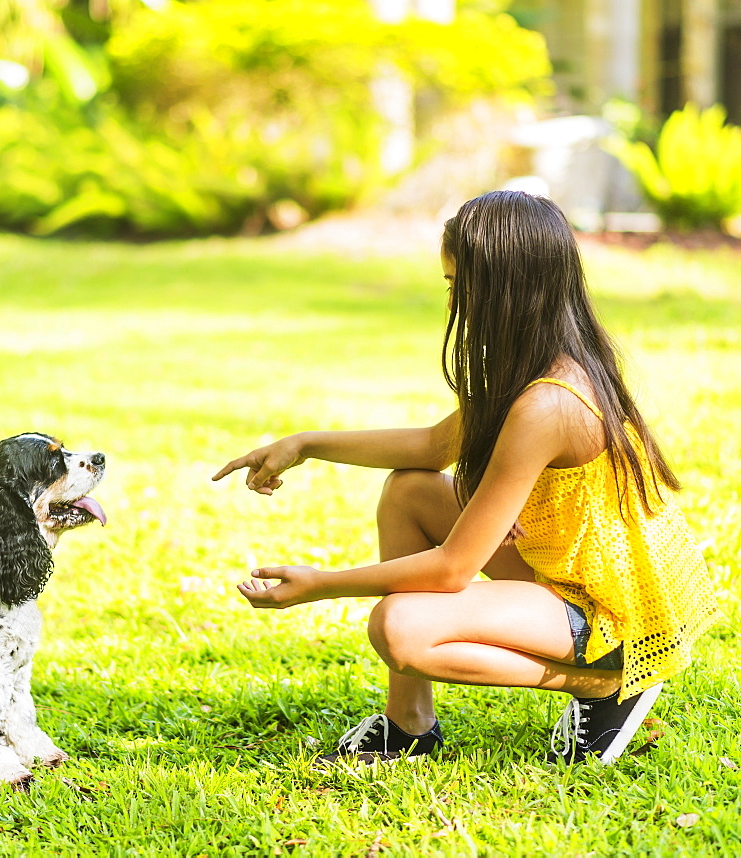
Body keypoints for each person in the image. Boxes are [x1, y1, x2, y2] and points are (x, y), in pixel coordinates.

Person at [212, 190, 720, 766]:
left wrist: (318, 585)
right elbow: (431, 447)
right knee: (409, 490)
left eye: (458, 287)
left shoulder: (549, 404)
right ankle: (410, 728)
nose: (452, 301)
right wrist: (304, 445)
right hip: (567, 571)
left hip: (614, 614)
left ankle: (601, 686)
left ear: (503, 292)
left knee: (401, 629)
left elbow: (453, 568)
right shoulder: (533, 363)